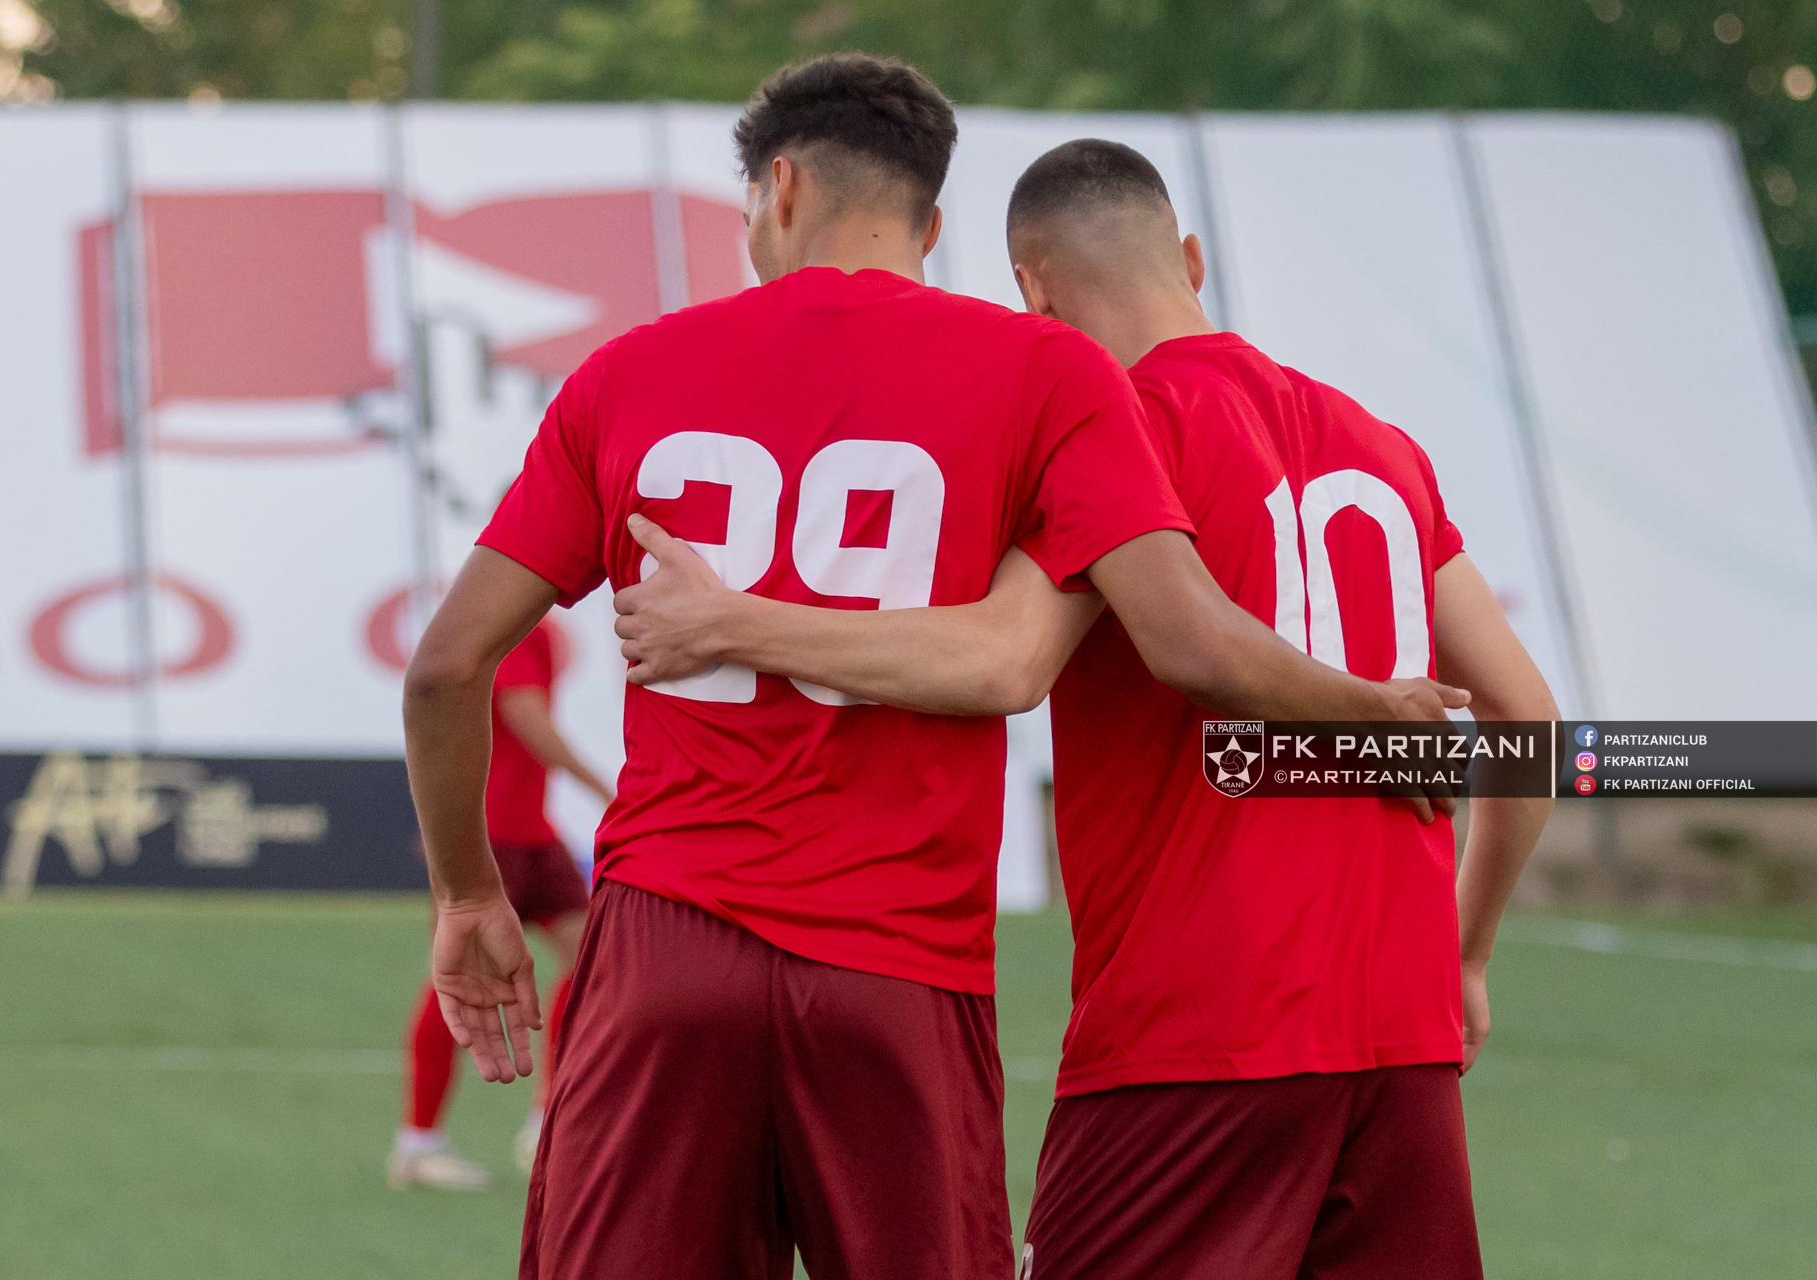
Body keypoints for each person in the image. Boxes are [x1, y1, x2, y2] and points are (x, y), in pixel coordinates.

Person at [403, 56, 1466, 1280]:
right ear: (934, 223)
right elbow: (1165, 642)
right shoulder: (1047, 372)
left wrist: (468, 896)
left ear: (780, 189)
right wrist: (1374, 710)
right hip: (901, 962)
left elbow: (445, 668)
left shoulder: (629, 371)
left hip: (666, 942)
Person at [614, 138, 1558, 1280]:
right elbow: (1528, 722)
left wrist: (730, 624)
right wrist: (1465, 954)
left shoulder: (1115, 432)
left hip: (1199, 1027)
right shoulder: (1383, 446)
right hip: (1403, 1038)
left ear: (1035, 293)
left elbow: (1003, 655)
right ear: (1191, 260)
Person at [388, 619, 612, 1191]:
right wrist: (606, 790)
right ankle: (417, 1143)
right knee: (459, 978)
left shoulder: (526, 621)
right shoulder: (513, 619)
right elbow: (524, 716)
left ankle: (547, 1121)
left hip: (530, 830)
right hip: (486, 833)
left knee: (593, 957)